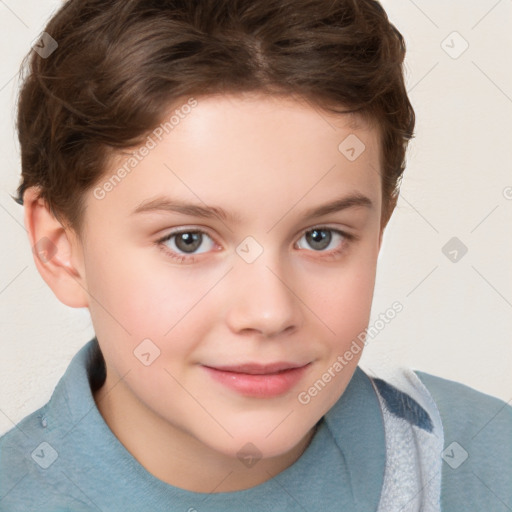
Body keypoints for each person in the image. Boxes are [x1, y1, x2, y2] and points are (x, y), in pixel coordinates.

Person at [0, 0, 510, 510]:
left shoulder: (484, 464)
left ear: (378, 229)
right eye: (188, 240)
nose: (269, 313)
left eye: (320, 237)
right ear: (60, 248)